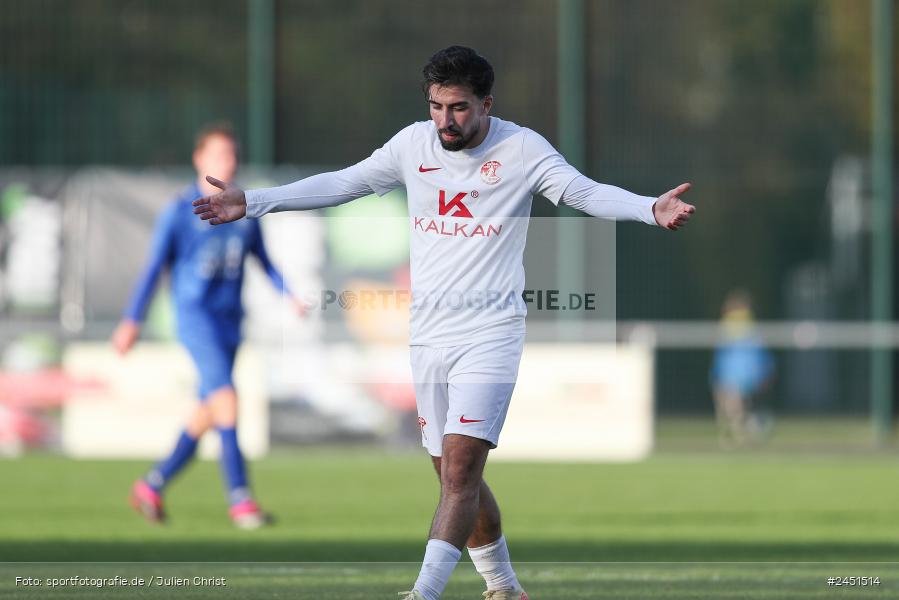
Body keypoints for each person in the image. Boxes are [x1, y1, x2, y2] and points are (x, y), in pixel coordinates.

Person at [192, 46, 695, 598]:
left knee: (459, 475)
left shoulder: (522, 149)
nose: (444, 121)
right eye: (436, 106)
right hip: (427, 336)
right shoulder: (413, 144)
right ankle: (504, 586)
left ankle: (424, 593)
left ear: (486, 103)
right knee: (456, 478)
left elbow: (584, 192)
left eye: (457, 108)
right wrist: (256, 201)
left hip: (490, 334)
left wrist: (650, 208)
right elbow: (343, 183)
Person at [112, 123, 299, 530]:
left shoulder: (244, 210)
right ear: (199, 159)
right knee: (227, 399)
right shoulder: (179, 211)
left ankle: (152, 484)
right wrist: (131, 320)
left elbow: (262, 260)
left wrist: (290, 293)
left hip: (231, 321)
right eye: (217, 155)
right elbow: (153, 268)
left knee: (207, 411)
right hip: (196, 319)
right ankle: (241, 499)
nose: (225, 163)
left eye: (230, 155)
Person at [711, 290, 774, 447]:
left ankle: (742, 435)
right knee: (735, 411)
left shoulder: (733, 327)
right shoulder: (749, 327)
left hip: (736, 378)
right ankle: (743, 434)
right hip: (742, 378)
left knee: (734, 410)